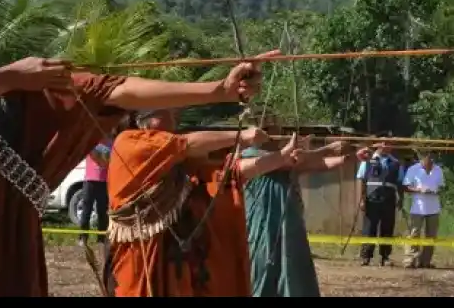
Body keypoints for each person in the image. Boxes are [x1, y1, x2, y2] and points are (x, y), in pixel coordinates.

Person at [0, 0, 273, 297]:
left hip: (2, 265)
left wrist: (217, 90)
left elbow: (110, 89)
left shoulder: (8, 96)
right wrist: (9, 77)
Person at [105, 109, 294, 297]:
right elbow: (186, 143)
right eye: (166, 114)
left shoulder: (174, 159)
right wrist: (241, 136)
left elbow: (226, 176)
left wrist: (281, 157)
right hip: (138, 262)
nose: (174, 121)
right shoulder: (128, 143)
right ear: (143, 120)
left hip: (175, 266)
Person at [244, 136, 361, 296]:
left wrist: (347, 158)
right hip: (263, 220)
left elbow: (317, 164)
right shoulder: (250, 155)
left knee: (291, 259)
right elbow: (291, 160)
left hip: (288, 220)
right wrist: (328, 149)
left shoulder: (282, 156)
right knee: (262, 260)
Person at [357, 142, 404, 267]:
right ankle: (366, 256)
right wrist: (362, 199)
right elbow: (362, 180)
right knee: (369, 228)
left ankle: (385, 256)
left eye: (389, 144)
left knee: (387, 228)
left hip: (389, 199)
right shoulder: (367, 160)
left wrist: (401, 199)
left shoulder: (396, 163)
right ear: (378, 145)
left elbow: (399, 183)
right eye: (383, 144)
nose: (386, 146)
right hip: (372, 198)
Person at [402, 151, 444, 269]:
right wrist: (419, 190)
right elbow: (406, 186)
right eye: (429, 159)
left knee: (431, 236)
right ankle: (410, 259)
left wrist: (436, 190)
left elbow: (441, 186)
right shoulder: (413, 169)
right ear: (423, 158)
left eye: (433, 159)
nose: (431, 161)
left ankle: (425, 261)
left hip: (434, 208)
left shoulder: (438, 170)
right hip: (417, 208)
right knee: (414, 233)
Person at [77, 136, 112, 247]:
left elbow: (110, 161)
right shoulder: (91, 142)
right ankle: (83, 237)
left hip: (104, 181)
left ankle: (101, 239)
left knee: (102, 211)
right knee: (86, 210)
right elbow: (94, 156)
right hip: (90, 180)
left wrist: (105, 160)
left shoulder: (112, 143)